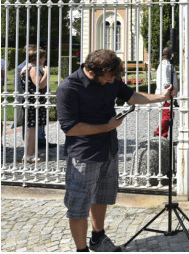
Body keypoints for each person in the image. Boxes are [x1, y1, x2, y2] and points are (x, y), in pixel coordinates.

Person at [56, 49, 174, 252]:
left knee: (101, 197)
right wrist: (106, 127)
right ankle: (81, 249)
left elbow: (131, 96)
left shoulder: (110, 78)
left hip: (108, 149)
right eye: (109, 78)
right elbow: (70, 128)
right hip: (84, 156)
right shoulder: (69, 88)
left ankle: (97, 238)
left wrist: (161, 97)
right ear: (93, 72)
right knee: (78, 207)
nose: (113, 82)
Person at [20, 47, 48, 163]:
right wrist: (47, 73)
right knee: (32, 128)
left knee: (32, 128)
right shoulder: (33, 69)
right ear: (38, 58)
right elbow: (40, 85)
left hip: (30, 100)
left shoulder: (25, 67)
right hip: (34, 102)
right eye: (43, 57)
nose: (45, 59)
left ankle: (32, 151)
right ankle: (29, 155)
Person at [154, 47, 179, 137]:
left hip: (165, 92)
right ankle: (159, 133)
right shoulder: (167, 65)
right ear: (169, 54)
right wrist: (170, 91)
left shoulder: (162, 63)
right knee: (168, 115)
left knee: (168, 114)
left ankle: (163, 133)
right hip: (166, 94)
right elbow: (167, 81)